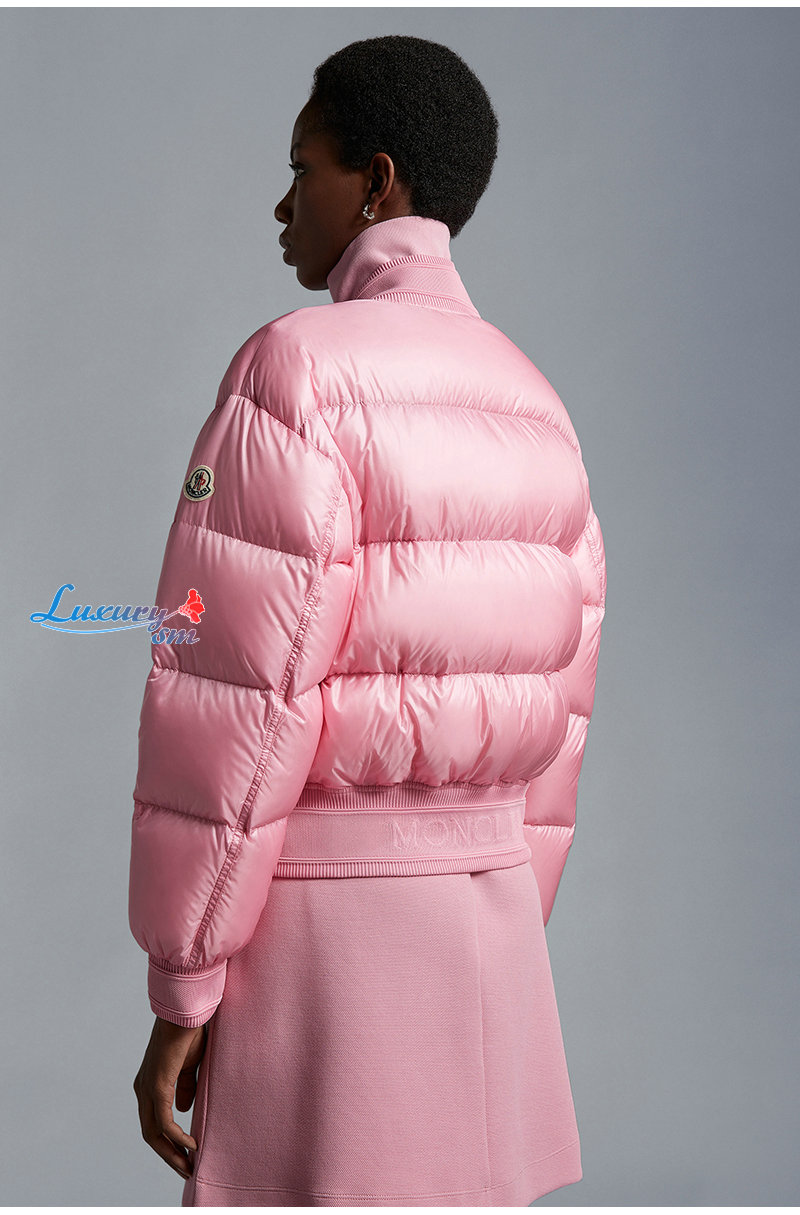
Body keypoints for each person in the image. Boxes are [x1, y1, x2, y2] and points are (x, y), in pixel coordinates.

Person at [130, 34, 607, 1207]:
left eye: (304, 168)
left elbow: (237, 700)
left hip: (322, 941)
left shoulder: (289, 374)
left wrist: (185, 982)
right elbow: (561, 716)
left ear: (376, 181)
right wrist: (506, 922)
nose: (282, 202)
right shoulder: (534, 401)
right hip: (490, 940)